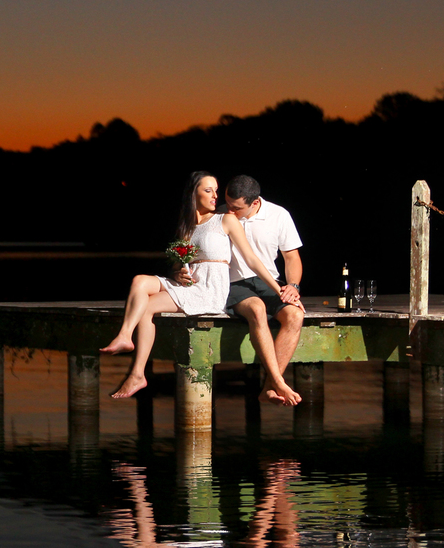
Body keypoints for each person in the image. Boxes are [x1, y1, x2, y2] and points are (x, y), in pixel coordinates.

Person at [100, 172, 301, 405]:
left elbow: (256, 259)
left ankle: (274, 383)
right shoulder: (191, 225)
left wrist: (284, 289)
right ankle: (133, 362)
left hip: (216, 287)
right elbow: (180, 263)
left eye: (216, 191)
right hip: (201, 284)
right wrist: (178, 272)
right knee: (140, 285)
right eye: (210, 191)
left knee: (292, 314)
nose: (217, 198)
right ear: (193, 194)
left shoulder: (230, 218)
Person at [175, 174, 305, 405]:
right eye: (227, 203)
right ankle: (279, 382)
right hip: (231, 282)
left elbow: (291, 257)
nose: (229, 210)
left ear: (254, 203)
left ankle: (270, 386)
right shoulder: (218, 214)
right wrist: (179, 271)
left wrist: (292, 286)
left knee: (295, 315)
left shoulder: (279, 215)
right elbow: (189, 250)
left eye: (236, 208)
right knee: (256, 309)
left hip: (268, 281)